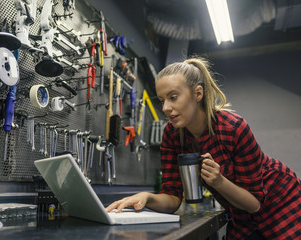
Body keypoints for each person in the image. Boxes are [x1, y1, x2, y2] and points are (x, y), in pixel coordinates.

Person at [106, 57, 301, 239]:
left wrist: (218, 182)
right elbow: (173, 197)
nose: (165, 107)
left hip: (281, 201)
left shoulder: (232, 127)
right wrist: (147, 198)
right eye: (162, 100)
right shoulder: (172, 134)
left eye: (173, 97)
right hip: (241, 217)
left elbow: (254, 204)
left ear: (198, 93)